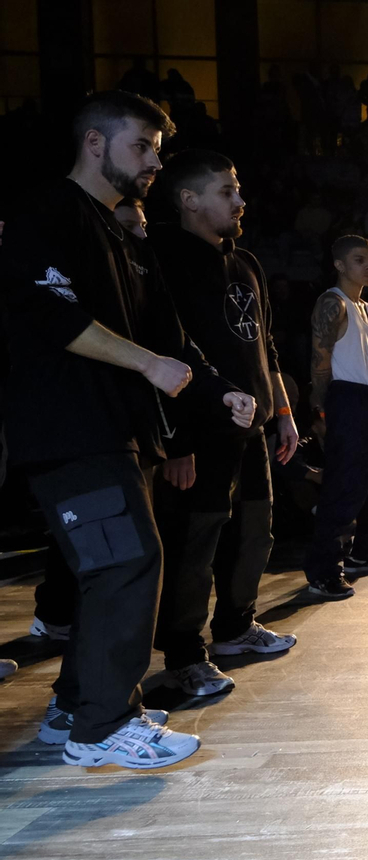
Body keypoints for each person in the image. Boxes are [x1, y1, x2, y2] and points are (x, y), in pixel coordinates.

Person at [1, 91, 256, 768]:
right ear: (95, 143)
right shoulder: (46, 213)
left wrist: (222, 391)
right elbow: (53, 317)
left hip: (120, 433)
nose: (153, 163)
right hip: (68, 431)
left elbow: (170, 339)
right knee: (126, 562)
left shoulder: (126, 238)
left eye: (157, 151)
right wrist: (147, 364)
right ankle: (103, 727)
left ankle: (73, 708)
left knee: (108, 569)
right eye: (141, 146)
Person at [147, 149, 298, 698]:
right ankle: (184, 655)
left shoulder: (247, 263)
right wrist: (176, 442)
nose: (240, 201)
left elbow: (265, 347)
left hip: (252, 427)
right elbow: (162, 351)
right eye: (226, 191)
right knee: (195, 545)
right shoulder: (166, 260)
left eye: (238, 190)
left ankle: (235, 628)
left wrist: (283, 413)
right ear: (189, 200)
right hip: (199, 431)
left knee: (254, 532)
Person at [305, 235, 368, 599]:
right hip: (347, 398)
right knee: (344, 487)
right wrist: (320, 409)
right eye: (360, 260)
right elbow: (320, 361)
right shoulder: (332, 302)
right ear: (340, 265)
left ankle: (362, 553)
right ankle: (324, 571)